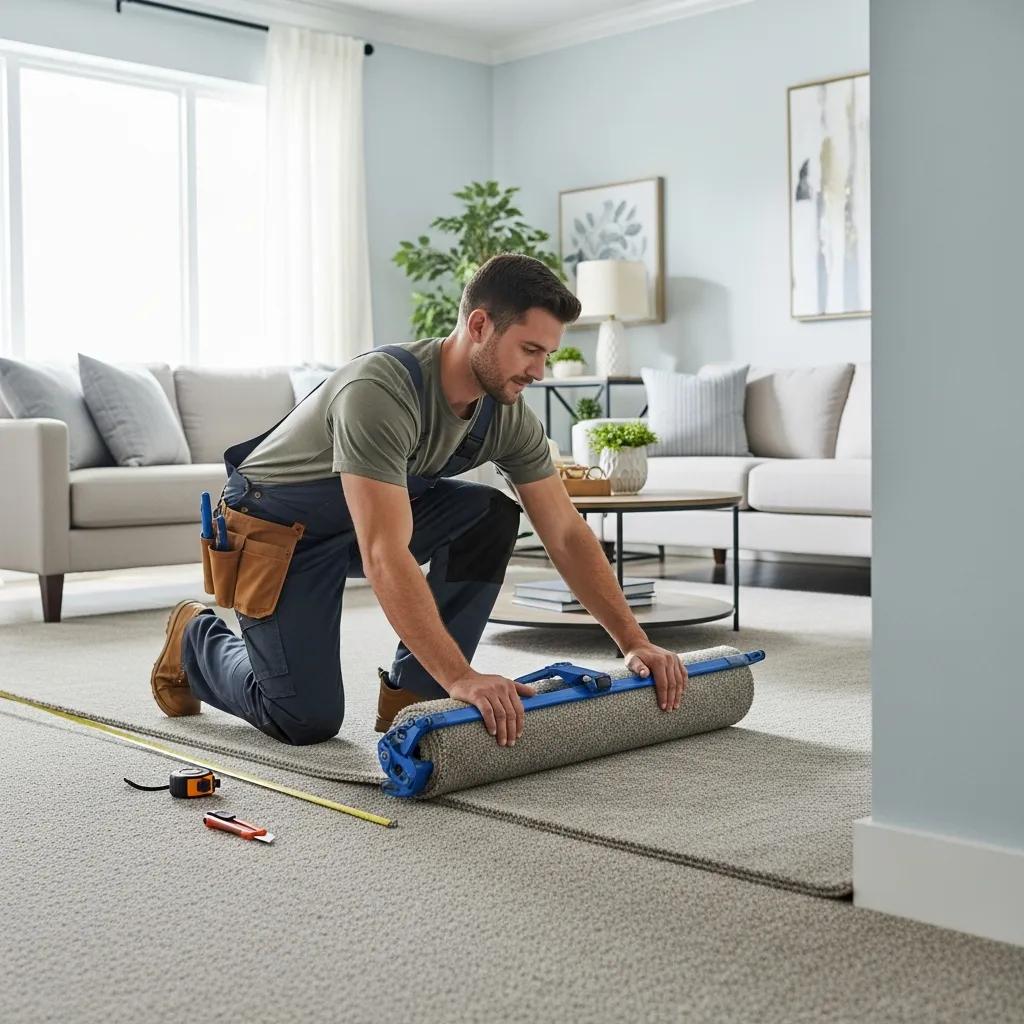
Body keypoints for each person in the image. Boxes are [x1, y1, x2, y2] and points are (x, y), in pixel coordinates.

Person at [150, 253, 688, 748]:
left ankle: (415, 694)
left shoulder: (505, 413)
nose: (539, 371)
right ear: (479, 325)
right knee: (304, 719)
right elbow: (386, 552)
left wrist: (633, 641)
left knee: (492, 514)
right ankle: (196, 641)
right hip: (278, 530)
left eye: (546, 353)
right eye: (529, 349)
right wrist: (466, 676)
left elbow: (566, 532)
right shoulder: (381, 392)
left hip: (368, 521)